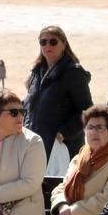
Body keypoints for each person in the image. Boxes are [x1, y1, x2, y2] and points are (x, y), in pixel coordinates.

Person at [23, 25, 93, 161]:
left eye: (53, 42)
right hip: (34, 145)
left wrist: (64, 133)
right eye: (43, 42)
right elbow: (30, 106)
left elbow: (87, 111)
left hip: (62, 148)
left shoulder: (73, 73)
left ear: (63, 44)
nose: (47, 45)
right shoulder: (37, 73)